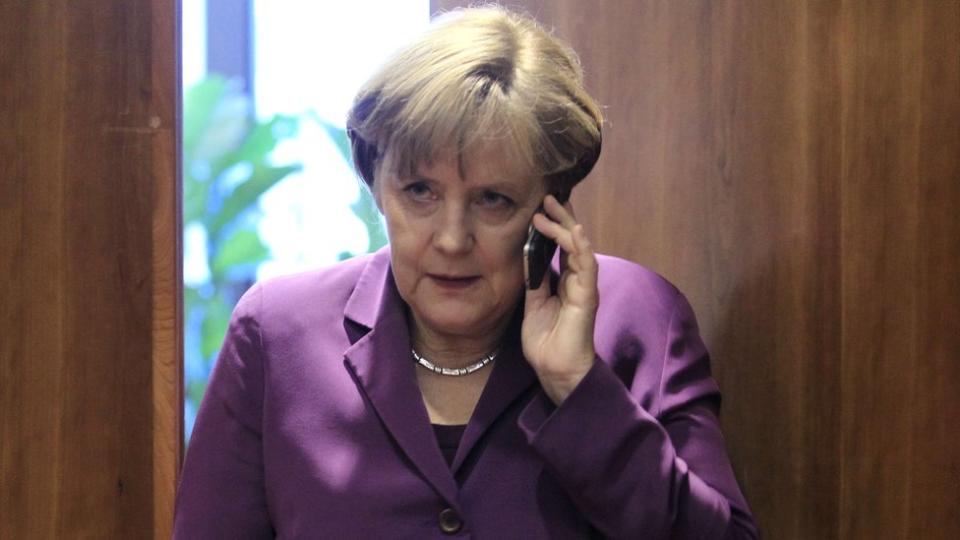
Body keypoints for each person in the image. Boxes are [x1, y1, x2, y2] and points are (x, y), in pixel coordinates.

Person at [174, 6, 758, 539]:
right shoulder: (276, 333)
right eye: (420, 192)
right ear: (378, 190)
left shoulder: (640, 318)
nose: (452, 239)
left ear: (548, 206)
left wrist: (579, 390)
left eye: (493, 200)